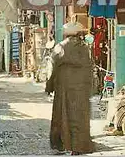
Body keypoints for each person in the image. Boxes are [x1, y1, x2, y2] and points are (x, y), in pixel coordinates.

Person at [46, 22, 94, 155]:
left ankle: (62, 144)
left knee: (63, 116)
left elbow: (52, 67)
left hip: (64, 89)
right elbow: (90, 67)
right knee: (80, 117)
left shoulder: (61, 47)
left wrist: (49, 85)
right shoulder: (85, 48)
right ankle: (80, 146)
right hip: (82, 89)